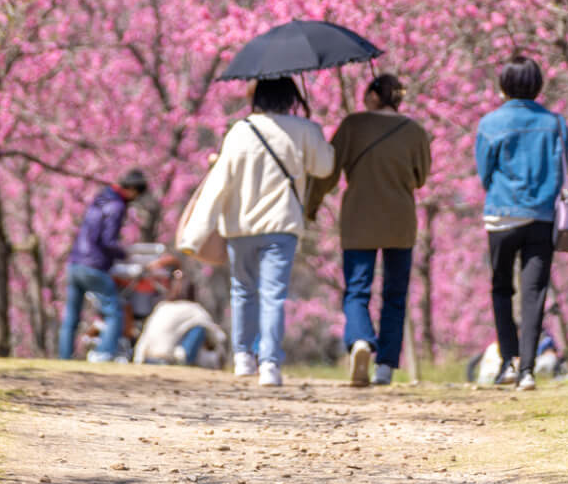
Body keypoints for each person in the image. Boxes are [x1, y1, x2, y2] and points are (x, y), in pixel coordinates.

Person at [177, 76, 334, 387]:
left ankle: (243, 357)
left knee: (243, 291)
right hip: (281, 226)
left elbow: (218, 182)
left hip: (241, 227)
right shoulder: (303, 129)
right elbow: (325, 167)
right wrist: (314, 132)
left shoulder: (240, 131)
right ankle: (270, 364)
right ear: (291, 98)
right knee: (274, 295)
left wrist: (196, 233)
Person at [308, 73, 432, 387]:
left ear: (375, 96)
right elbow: (420, 178)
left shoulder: (353, 125)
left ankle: (361, 340)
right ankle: (386, 366)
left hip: (359, 219)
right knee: (395, 295)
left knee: (357, 290)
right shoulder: (414, 130)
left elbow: (328, 173)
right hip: (400, 221)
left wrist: (309, 205)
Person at [474, 53, 568, 391]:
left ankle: (509, 363)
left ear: (503, 85)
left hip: (502, 214)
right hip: (542, 216)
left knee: (502, 288)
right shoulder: (556, 123)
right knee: (534, 293)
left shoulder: (489, 123)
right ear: (537, 85)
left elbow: (484, 173)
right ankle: (528, 370)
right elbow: (562, 169)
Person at [59, 169, 149, 362]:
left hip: (75, 263)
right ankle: (104, 352)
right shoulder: (116, 205)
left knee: (71, 316)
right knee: (115, 311)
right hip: (94, 265)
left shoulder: (100, 200)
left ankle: (64, 357)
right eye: (137, 194)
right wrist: (124, 253)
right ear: (132, 189)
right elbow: (108, 241)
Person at [131, 268, 227, 367]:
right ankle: (185, 360)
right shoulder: (194, 308)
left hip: (146, 358)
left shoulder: (162, 306)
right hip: (167, 359)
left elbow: (145, 335)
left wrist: (137, 360)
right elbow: (217, 336)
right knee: (200, 328)